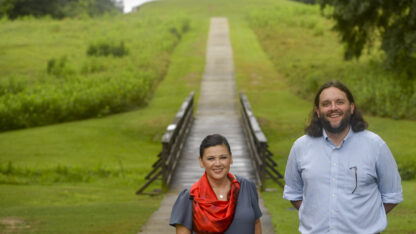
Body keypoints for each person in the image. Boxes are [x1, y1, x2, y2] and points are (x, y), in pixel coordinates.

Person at [283, 80, 403, 233]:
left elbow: (392, 194)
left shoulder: (375, 146)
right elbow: (294, 193)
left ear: (351, 107)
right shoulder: (300, 147)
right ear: (318, 111)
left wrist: (366, 220)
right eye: (326, 104)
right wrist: (315, 216)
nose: (333, 108)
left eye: (339, 102)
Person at [170, 134, 262, 234]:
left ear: (231, 158)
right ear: (201, 161)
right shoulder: (190, 197)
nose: (218, 163)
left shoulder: (247, 187)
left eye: (223, 157)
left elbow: (256, 223)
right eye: (211, 159)